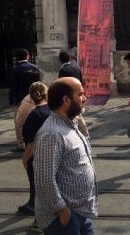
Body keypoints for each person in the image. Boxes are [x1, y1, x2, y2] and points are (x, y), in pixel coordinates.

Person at [34, 77, 98, 235]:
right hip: (64, 218)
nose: (85, 98)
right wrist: (62, 210)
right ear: (66, 100)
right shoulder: (51, 133)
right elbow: (44, 179)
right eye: (80, 94)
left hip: (80, 212)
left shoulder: (70, 124)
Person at [20, 82, 51, 232]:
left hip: (38, 158)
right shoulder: (52, 111)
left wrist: (25, 159)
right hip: (51, 154)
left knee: (38, 188)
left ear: (31, 97)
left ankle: (40, 221)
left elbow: (31, 144)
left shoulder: (34, 115)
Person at [10, 48, 41, 151]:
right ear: (27, 56)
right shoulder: (35, 67)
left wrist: (11, 99)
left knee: (19, 122)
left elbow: (13, 86)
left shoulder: (15, 69)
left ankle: (21, 144)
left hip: (20, 98)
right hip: (34, 97)